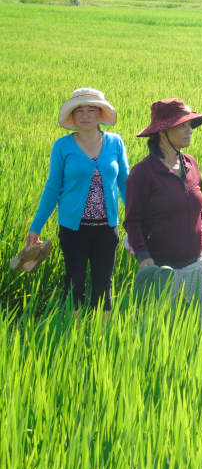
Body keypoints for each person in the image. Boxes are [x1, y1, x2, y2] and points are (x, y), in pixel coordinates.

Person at [26, 88, 129, 318]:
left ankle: (102, 339)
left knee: (104, 285)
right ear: (72, 117)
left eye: (91, 109)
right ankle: (73, 336)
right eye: (79, 110)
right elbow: (52, 189)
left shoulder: (115, 143)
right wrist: (36, 227)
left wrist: (134, 221)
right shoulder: (62, 147)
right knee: (74, 283)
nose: (85, 115)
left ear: (100, 114)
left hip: (107, 228)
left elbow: (124, 183)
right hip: (74, 230)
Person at [124, 98, 202, 317]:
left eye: (190, 125)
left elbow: (200, 209)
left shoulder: (191, 164)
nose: (190, 130)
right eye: (183, 125)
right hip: (162, 270)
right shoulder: (143, 173)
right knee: (163, 327)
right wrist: (143, 255)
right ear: (162, 131)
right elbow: (132, 220)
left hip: (196, 265)